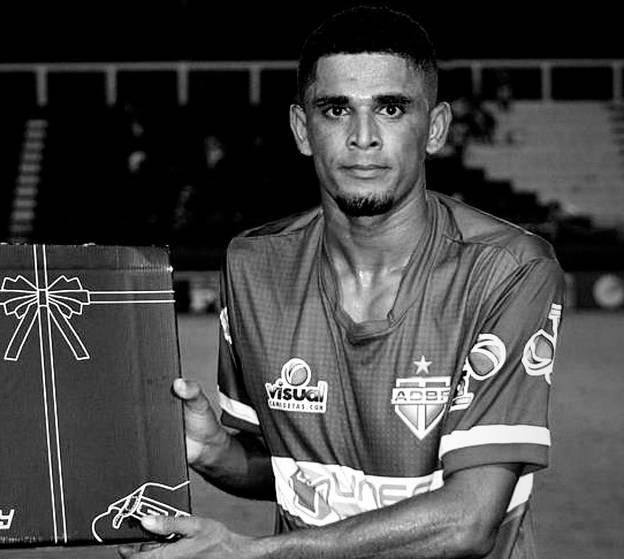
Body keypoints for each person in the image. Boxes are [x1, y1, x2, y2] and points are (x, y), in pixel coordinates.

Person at [119, 6, 564, 558]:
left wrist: (250, 553)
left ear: (435, 128)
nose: (363, 137)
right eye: (336, 109)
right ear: (302, 129)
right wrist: (215, 453)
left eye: (391, 108)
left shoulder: (509, 270)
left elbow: (467, 522)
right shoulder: (253, 266)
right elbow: (288, 470)